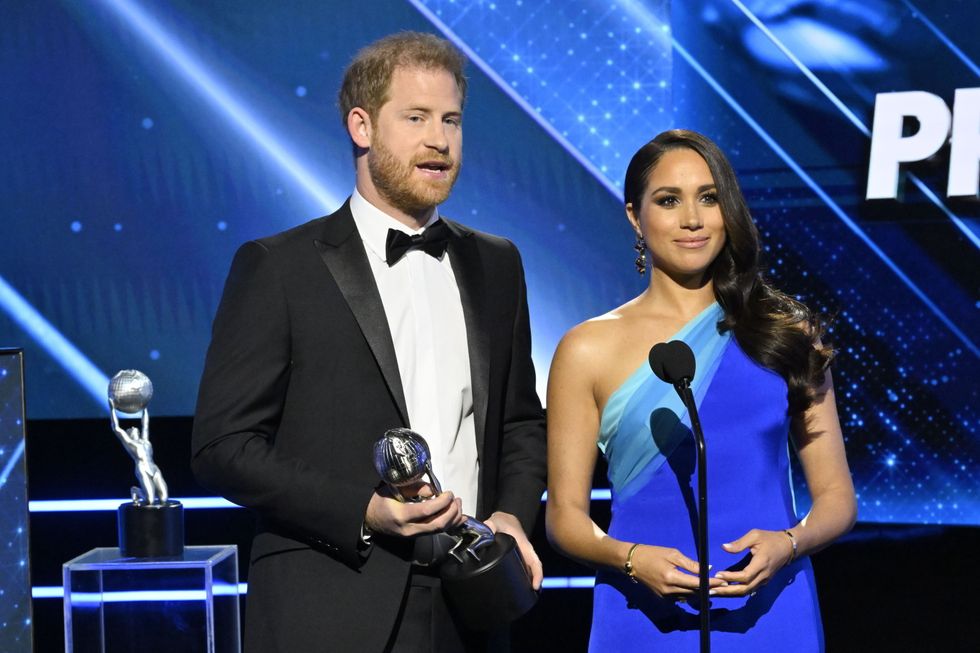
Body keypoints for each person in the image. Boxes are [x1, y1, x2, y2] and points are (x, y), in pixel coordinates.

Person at [192, 32, 546, 652]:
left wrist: (513, 516)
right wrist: (364, 510)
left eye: (452, 120)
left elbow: (519, 423)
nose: (440, 139)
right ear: (362, 126)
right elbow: (224, 446)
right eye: (416, 118)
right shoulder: (279, 266)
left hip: (473, 606)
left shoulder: (498, 263)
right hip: (333, 602)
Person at [545, 129, 856, 651]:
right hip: (640, 616)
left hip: (773, 612)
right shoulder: (586, 349)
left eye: (709, 199)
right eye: (669, 200)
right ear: (634, 216)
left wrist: (788, 543)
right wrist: (630, 558)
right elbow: (565, 518)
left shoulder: (787, 335)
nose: (693, 219)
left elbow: (837, 499)